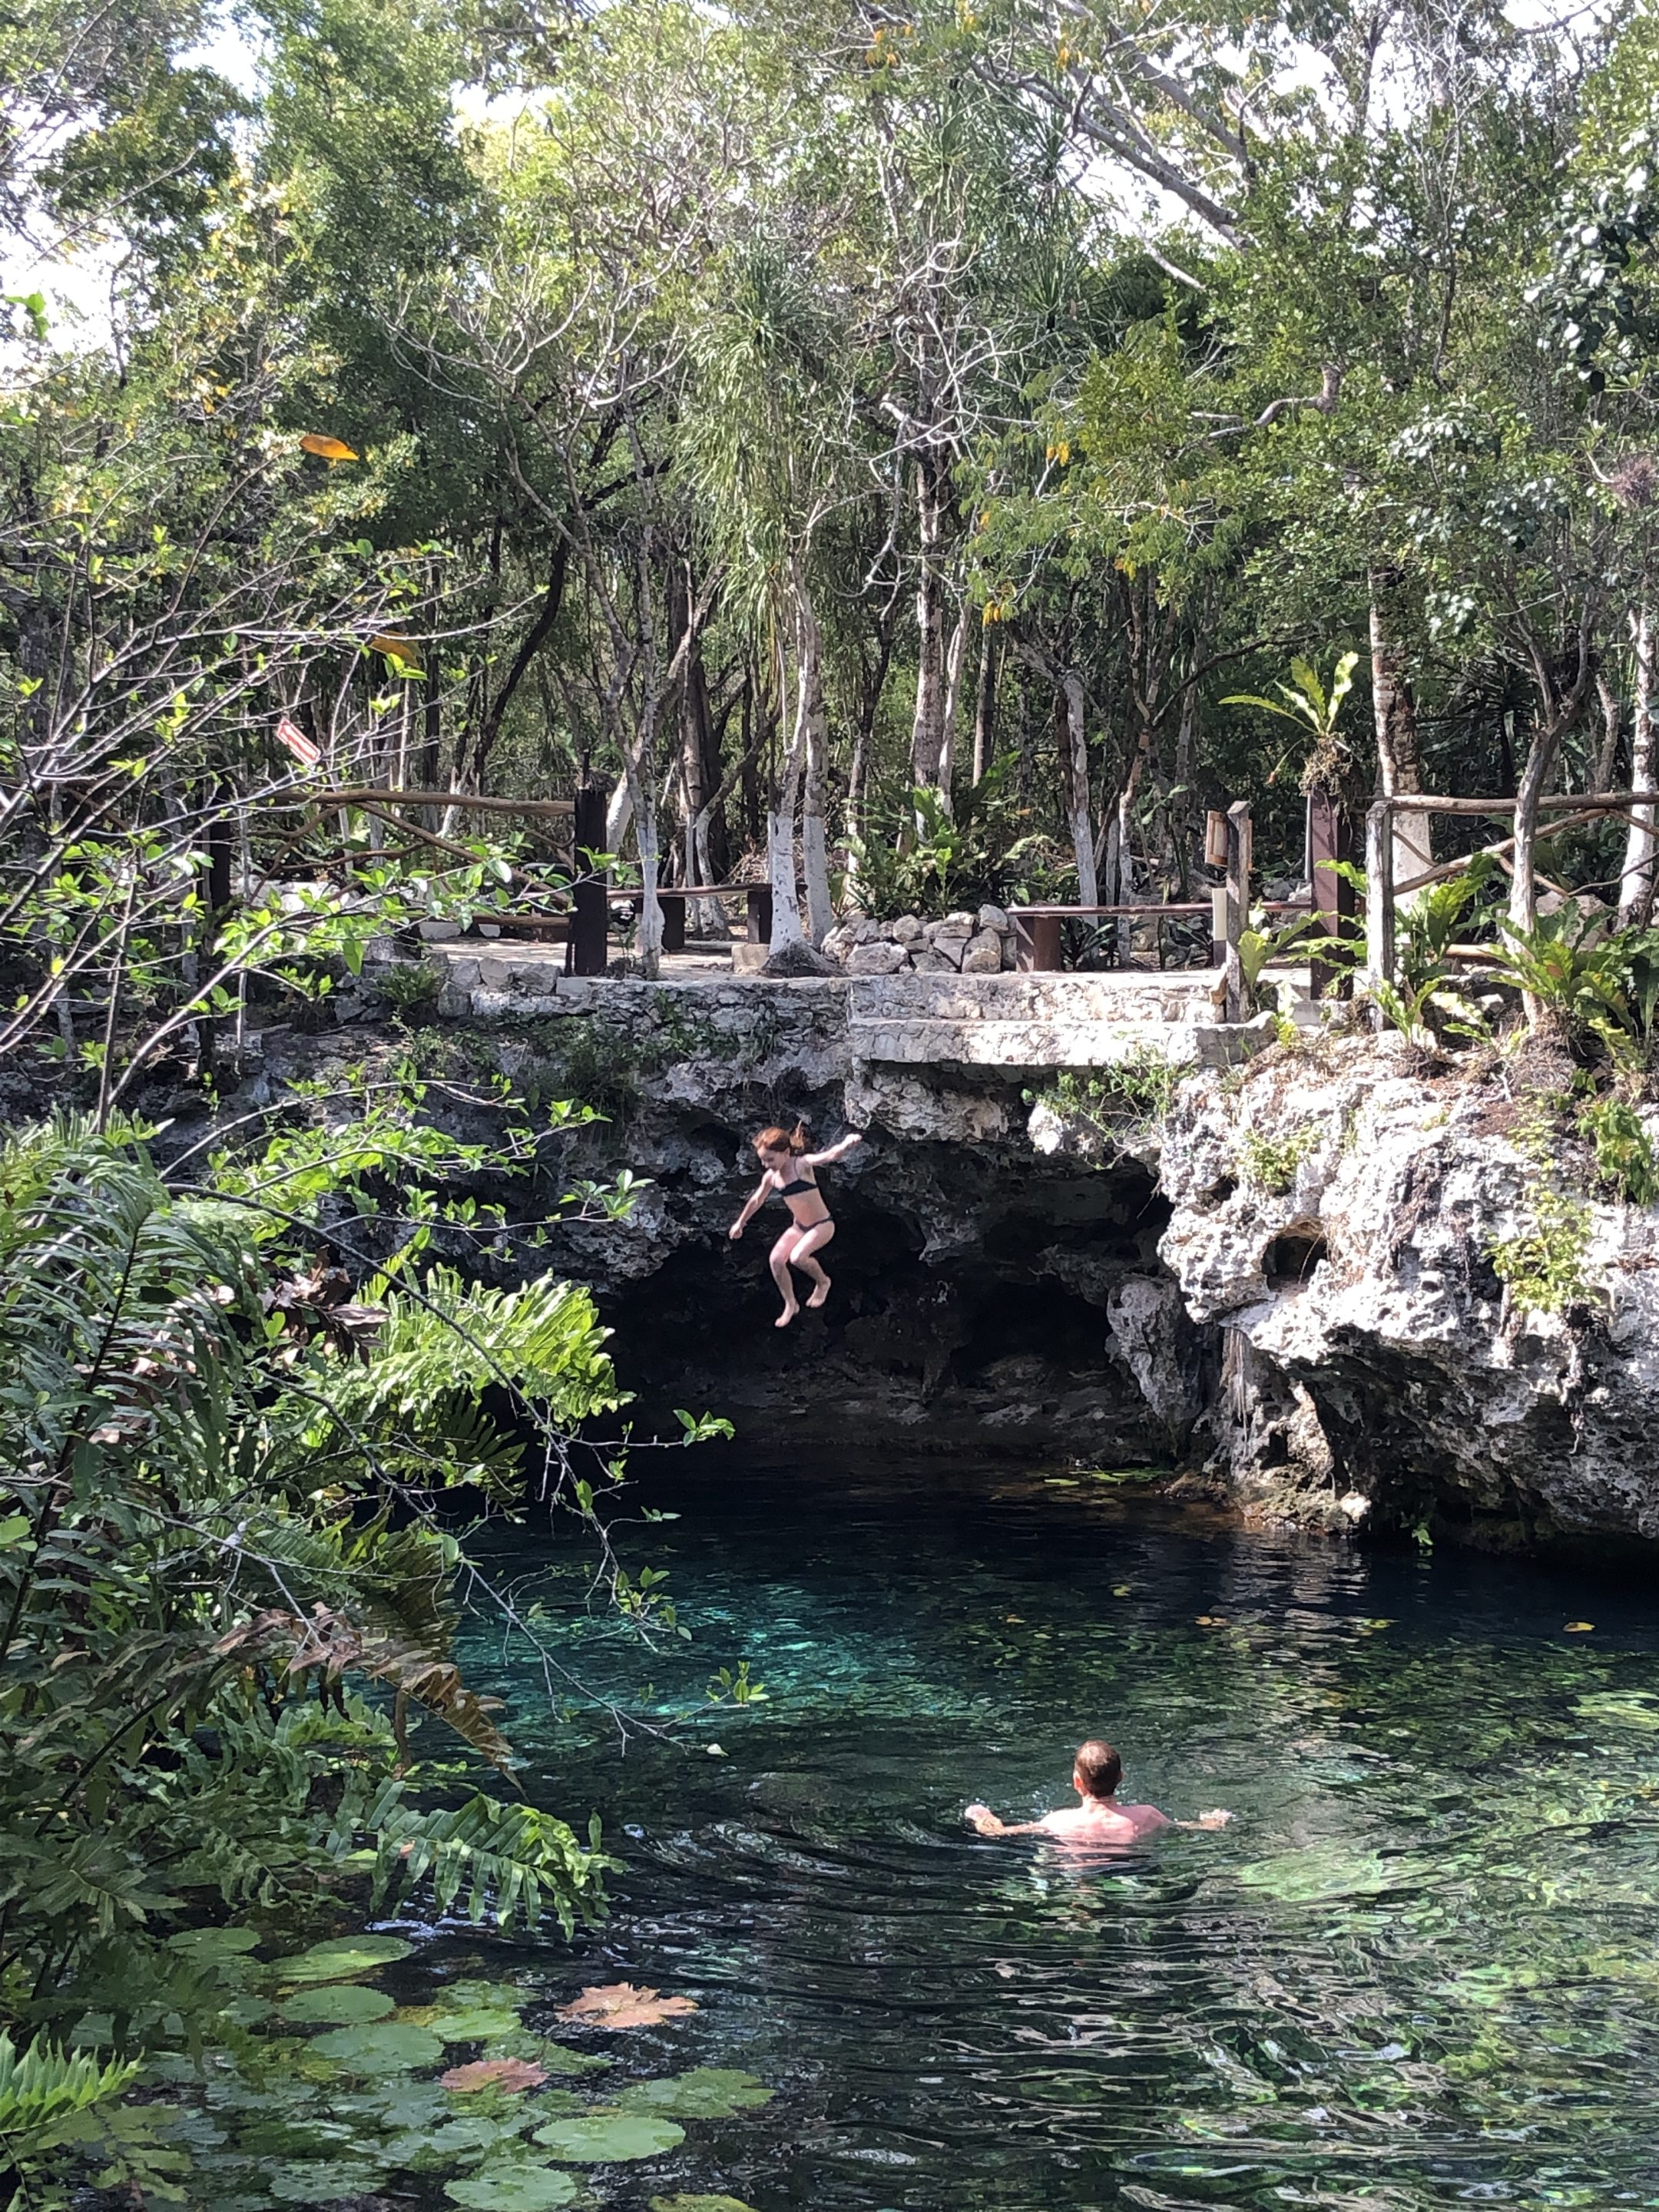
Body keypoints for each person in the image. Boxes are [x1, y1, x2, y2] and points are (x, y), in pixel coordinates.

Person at [965, 1739, 1231, 1846]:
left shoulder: (1058, 1821)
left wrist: (982, 1815)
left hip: (1077, 1875)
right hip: (1131, 1868)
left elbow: (998, 1833)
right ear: (1121, 1778)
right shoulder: (1146, 1816)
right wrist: (1213, 1822)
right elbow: (1183, 1827)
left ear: (1076, 1782)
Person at [729, 1121, 863, 1328]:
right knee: (775, 1260)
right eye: (763, 1161)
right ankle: (791, 1303)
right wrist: (741, 1223)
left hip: (822, 1225)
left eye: (770, 1159)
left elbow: (829, 1156)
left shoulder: (801, 1165)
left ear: (786, 1152)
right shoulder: (771, 1177)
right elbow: (756, 1200)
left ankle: (823, 1282)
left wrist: (846, 1144)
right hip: (799, 1227)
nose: (767, 1165)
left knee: (798, 1257)